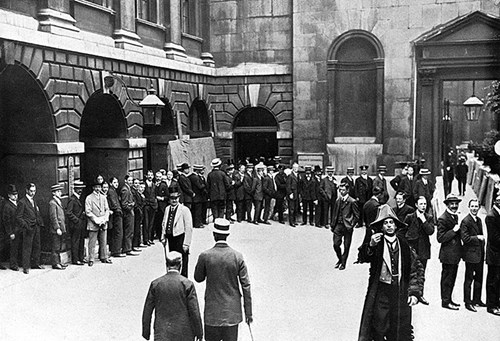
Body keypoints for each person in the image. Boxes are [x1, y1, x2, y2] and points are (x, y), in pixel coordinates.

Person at [358, 204, 423, 341]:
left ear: (396, 225)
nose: (388, 225)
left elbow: (415, 269)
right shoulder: (377, 243)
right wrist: (370, 245)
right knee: (379, 327)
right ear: (381, 227)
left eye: (391, 222)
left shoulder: (404, 245)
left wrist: (414, 292)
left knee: (399, 329)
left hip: (399, 292)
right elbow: (363, 257)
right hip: (381, 291)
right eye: (385, 223)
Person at [194, 218, 253, 341]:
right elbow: (246, 286)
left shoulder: (205, 256)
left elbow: (198, 278)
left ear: (214, 235)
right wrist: (248, 312)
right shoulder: (237, 256)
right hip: (232, 315)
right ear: (227, 235)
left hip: (212, 314)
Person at [142, 251, 203, 341]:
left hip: (162, 333)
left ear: (166, 264)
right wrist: (199, 333)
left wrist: (146, 333)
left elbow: (147, 310)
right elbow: (194, 311)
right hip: (184, 333)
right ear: (180, 265)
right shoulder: (187, 284)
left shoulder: (156, 284)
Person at [404, 196, 434, 305]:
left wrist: (424, 220)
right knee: (410, 272)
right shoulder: (409, 217)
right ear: (416, 205)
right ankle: (409, 294)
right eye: (421, 204)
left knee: (421, 273)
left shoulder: (429, 217)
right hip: (412, 249)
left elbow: (431, 231)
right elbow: (403, 231)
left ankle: (420, 295)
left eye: (425, 204)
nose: (423, 206)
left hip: (424, 249)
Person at [437, 193, 462, 310]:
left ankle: (449, 299)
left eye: (456, 204)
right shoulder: (443, 218)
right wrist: (454, 230)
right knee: (447, 278)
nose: (454, 206)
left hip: (454, 254)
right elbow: (440, 238)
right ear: (447, 205)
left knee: (452, 278)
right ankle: (445, 301)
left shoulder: (455, 216)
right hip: (447, 255)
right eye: (451, 203)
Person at [460, 198, 485, 312]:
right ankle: (468, 302)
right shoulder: (466, 221)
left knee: (479, 278)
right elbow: (465, 238)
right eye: (472, 206)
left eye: (476, 206)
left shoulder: (479, 220)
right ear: (469, 207)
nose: (474, 208)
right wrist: (477, 238)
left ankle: (477, 299)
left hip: (479, 254)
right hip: (470, 255)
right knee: (469, 279)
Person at [161, 189, 193, 278]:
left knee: (182, 261)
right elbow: (164, 223)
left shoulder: (184, 210)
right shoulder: (167, 209)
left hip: (180, 238)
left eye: (176, 198)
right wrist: (163, 236)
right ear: (169, 199)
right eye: (172, 198)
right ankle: (173, 279)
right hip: (171, 238)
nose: (174, 200)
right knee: (171, 261)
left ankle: (183, 279)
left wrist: (186, 243)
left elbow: (189, 228)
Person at [16, 183, 44, 274]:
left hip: (36, 227)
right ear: (27, 190)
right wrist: (26, 226)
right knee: (27, 248)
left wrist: (39, 223)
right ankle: (26, 267)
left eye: (34, 191)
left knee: (37, 246)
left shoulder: (34, 201)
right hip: (28, 228)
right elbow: (19, 217)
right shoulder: (22, 202)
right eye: (31, 191)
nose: (33, 193)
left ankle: (35, 264)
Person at [331, 182, 360, 270]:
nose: (341, 192)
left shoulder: (352, 201)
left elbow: (357, 216)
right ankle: (340, 259)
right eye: (340, 190)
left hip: (347, 226)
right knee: (336, 244)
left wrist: (352, 224)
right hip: (338, 226)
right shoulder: (338, 200)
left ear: (347, 190)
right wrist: (333, 225)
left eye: (343, 190)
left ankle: (343, 263)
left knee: (346, 246)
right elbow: (334, 213)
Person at [85, 181, 111, 266]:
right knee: (92, 242)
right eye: (96, 187)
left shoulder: (103, 197)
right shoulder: (89, 198)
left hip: (103, 222)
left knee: (103, 240)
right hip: (94, 223)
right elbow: (88, 211)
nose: (98, 189)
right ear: (93, 188)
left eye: (99, 187)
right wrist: (96, 220)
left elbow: (107, 209)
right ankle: (91, 258)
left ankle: (104, 257)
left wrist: (104, 219)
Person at [484, 195, 500, 316]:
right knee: (493, 280)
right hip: (494, 254)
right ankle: (491, 305)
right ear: (496, 201)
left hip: (497, 253)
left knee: (497, 280)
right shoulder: (491, 216)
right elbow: (494, 238)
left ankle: (496, 303)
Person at [66, 181, 86, 265]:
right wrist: (77, 220)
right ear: (75, 189)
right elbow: (68, 212)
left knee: (81, 241)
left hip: (80, 224)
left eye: (81, 188)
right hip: (75, 225)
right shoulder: (72, 199)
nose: (80, 190)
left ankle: (81, 258)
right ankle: (75, 259)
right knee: (75, 242)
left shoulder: (78, 198)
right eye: (78, 189)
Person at [49, 184, 67, 270]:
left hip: (60, 227)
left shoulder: (58, 201)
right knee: (56, 247)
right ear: (53, 193)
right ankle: (55, 263)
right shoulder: (52, 203)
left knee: (59, 246)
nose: (60, 193)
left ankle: (59, 262)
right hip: (56, 229)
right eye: (58, 191)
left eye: (60, 191)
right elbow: (53, 217)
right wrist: (57, 228)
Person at [2, 184, 20, 271]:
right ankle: (13, 264)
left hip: (19, 229)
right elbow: (6, 221)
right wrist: (10, 232)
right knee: (13, 248)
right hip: (13, 230)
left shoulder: (18, 203)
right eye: (13, 194)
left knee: (18, 247)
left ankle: (17, 262)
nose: (15, 196)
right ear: (9, 195)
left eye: (16, 194)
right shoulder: (7, 206)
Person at [121, 174, 138, 256]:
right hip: (128, 213)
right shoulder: (125, 190)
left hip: (130, 213)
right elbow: (124, 204)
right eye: (129, 180)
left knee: (130, 231)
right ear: (125, 181)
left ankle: (129, 247)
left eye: (131, 180)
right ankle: (127, 249)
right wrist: (131, 205)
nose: (131, 182)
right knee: (128, 231)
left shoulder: (128, 189)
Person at [108, 177, 124, 257]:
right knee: (118, 232)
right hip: (116, 215)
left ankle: (116, 250)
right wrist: (119, 210)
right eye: (114, 182)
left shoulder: (113, 191)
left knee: (117, 232)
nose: (116, 184)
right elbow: (114, 204)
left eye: (117, 182)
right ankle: (116, 251)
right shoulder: (111, 192)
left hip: (117, 214)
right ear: (110, 183)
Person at [143, 170, 158, 246]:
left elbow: (155, 195)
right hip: (146, 206)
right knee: (146, 223)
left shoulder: (154, 185)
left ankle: (150, 238)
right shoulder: (144, 184)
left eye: (151, 175)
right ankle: (146, 239)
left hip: (153, 206)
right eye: (149, 175)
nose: (150, 176)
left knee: (151, 223)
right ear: (146, 176)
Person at [132, 179, 146, 249]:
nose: (137, 185)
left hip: (139, 212)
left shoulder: (138, 193)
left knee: (138, 228)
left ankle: (138, 243)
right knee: (136, 228)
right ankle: (135, 244)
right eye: (135, 183)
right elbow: (136, 203)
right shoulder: (134, 192)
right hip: (137, 212)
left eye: (138, 183)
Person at [286, 162, 300, 227]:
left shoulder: (298, 175)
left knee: (295, 208)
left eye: (297, 168)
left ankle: (294, 221)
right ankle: (291, 222)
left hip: (296, 194)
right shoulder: (290, 176)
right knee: (291, 209)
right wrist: (290, 193)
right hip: (292, 194)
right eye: (294, 168)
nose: (296, 169)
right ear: (292, 168)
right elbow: (288, 186)